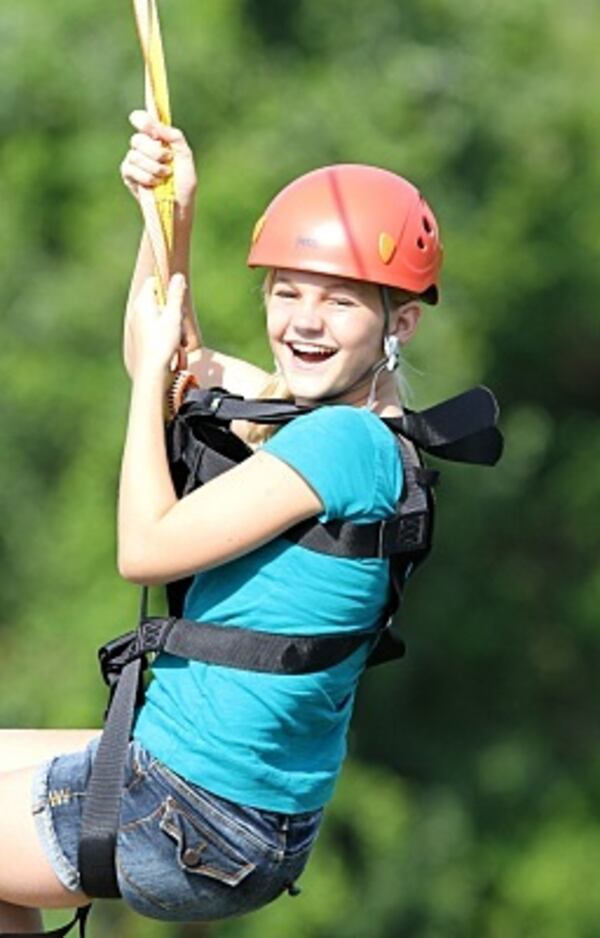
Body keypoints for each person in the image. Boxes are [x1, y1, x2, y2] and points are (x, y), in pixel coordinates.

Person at [0, 110, 444, 933]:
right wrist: (170, 211)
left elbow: (145, 546)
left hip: (191, 816)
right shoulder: (337, 427)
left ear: (401, 322)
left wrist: (144, 396)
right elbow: (164, 360)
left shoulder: (341, 444)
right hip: (224, 810)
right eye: (286, 292)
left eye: (339, 302)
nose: (303, 321)